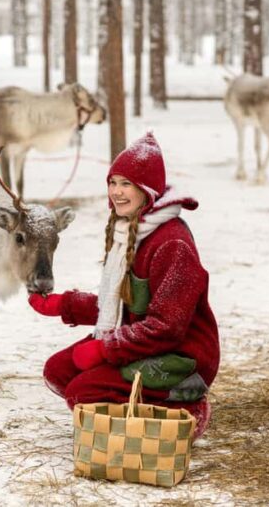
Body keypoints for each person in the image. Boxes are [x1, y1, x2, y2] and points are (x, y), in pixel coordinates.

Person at [28, 132, 219, 438]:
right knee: (59, 371)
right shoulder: (129, 230)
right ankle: (133, 414)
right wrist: (64, 305)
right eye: (112, 182)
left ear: (147, 190)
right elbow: (122, 303)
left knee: (82, 392)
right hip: (142, 343)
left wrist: (105, 350)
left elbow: (167, 327)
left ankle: (184, 406)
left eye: (126, 184)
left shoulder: (172, 244)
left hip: (183, 357)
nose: (116, 192)